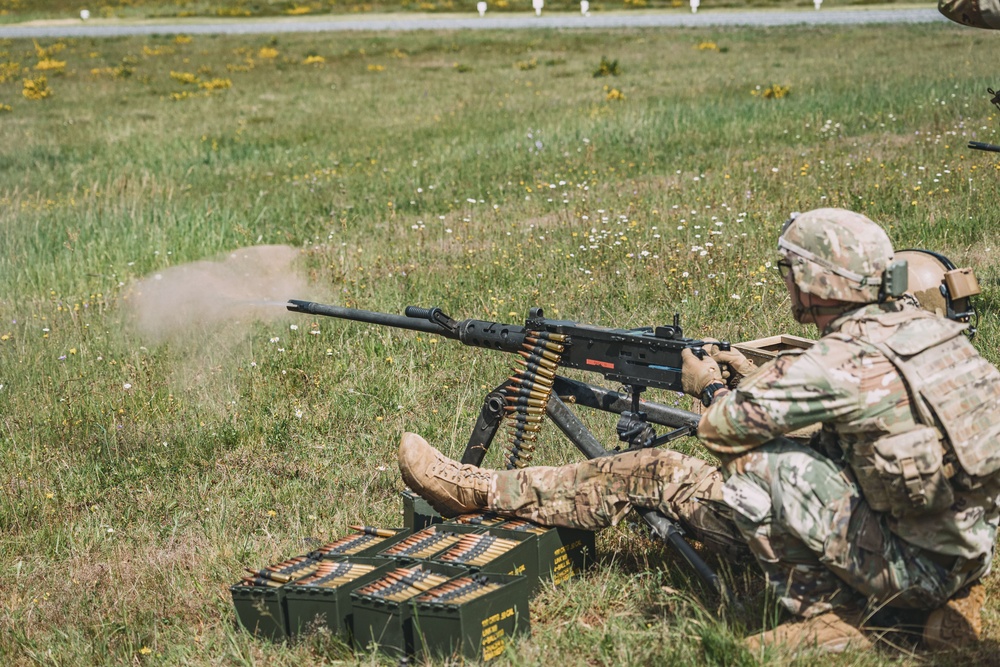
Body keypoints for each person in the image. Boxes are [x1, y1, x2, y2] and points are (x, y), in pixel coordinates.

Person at [398, 208, 1000, 653]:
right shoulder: (934, 338)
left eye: (791, 272)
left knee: (725, 468)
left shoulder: (837, 363)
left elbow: (722, 430)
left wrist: (709, 386)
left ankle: (844, 616)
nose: (786, 282)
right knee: (742, 462)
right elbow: (869, 415)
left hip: (900, 568)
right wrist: (759, 375)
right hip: (960, 554)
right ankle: (910, 613)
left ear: (818, 283)